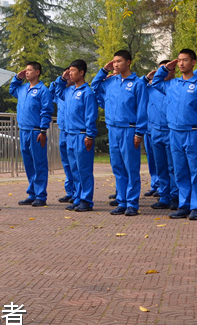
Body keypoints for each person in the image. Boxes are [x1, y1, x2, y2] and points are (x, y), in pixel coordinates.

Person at [152, 50, 197, 221]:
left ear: (193, 62)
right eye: (179, 61)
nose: (181, 63)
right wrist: (165, 68)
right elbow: (155, 82)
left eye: (185, 60)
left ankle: (196, 207)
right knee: (180, 171)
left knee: (196, 170)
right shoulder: (172, 84)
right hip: (174, 133)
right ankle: (184, 205)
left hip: (193, 132)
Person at [91, 50, 149, 216]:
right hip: (113, 129)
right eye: (114, 61)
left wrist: (139, 132)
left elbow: (142, 109)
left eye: (119, 61)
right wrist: (104, 70)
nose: (115, 64)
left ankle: (132, 203)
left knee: (131, 167)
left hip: (129, 130)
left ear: (128, 62)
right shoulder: (110, 82)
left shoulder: (138, 84)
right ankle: (122, 201)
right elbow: (94, 86)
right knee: (117, 167)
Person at [52, 60, 98, 212]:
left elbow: (91, 116)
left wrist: (90, 136)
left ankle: (86, 200)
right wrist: (62, 78)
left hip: (82, 135)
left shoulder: (87, 93)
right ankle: (77, 198)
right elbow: (56, 92)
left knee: (84, 169)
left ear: (82, 72)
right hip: (70, 135)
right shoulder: (69, 91)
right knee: (74, 170)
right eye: (69, 71)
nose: (70, 73)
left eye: (72, 71)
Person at [9, 61, 53, 207]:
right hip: (23, 130)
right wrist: (17, 77)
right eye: (25, 70)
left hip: (36, 131)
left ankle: (41, 195)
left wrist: (43, 130)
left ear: (37, 72)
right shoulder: (23, 88)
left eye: (29, 70)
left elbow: (46, 111)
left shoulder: (42, 90)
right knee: (28, 163)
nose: (26, 72)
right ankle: (32, 193)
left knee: (39, 163)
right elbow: (11, 89)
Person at [145, 61, 178, 212]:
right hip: (155, 131)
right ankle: (164, 196)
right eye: (162, 70)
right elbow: (135, 89)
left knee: (174, 166)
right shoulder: (150, 88)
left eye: (168, 70)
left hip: (172, 130)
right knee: (161, 166)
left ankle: (176, 196)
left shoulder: (176, 86)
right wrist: (147, 78)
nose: (165, 73)